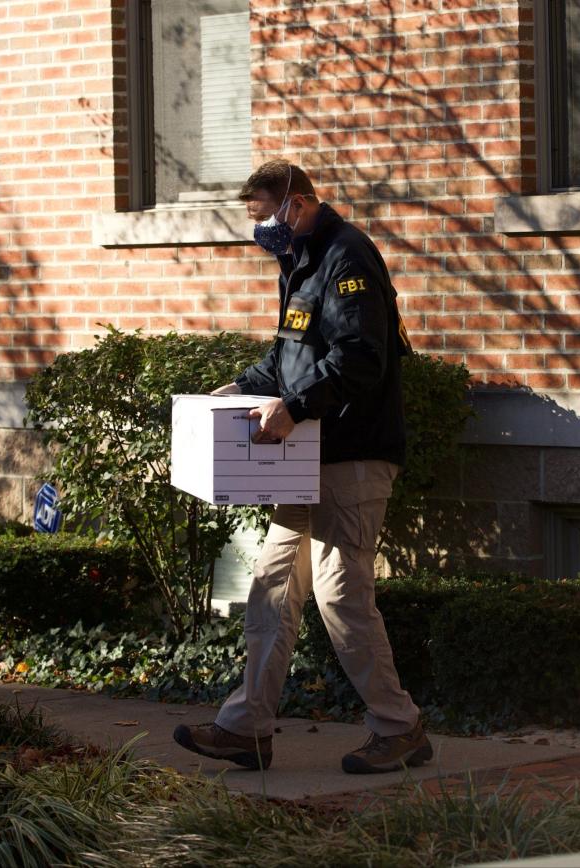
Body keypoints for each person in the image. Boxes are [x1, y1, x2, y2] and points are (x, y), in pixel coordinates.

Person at [172, 160, 431, 774]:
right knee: (272, 586)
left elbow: (361, 359)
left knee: (341, 594)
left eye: (266, 217)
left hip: (354, 454)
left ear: (298, 203)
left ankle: (401, 729)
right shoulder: (302, 262)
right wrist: (240, 386)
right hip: (308, 459)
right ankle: (246, 729)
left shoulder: (347, 258)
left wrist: (294, 406)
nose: (262, 231)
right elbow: (291, 356)